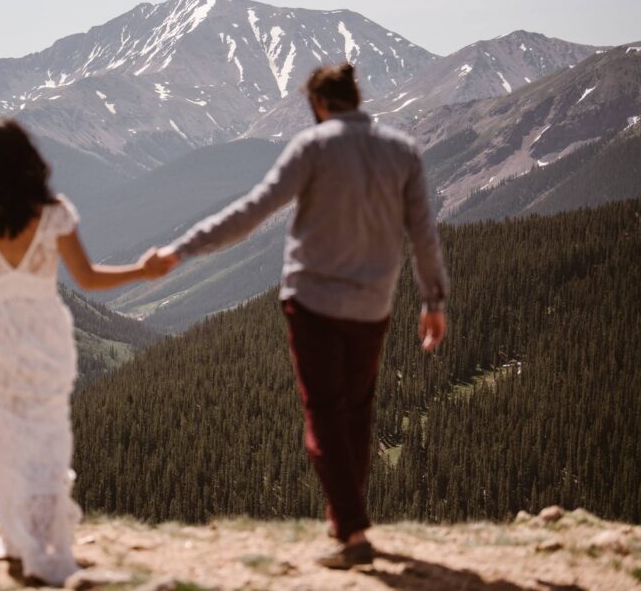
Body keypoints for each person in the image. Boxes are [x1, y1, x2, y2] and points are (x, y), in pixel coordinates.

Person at [157, 63, 449, 569]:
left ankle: (353, 532)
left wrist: (181, 249)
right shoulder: (403, 152)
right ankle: (346, 526)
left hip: (312, 302)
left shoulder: (312, 148)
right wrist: (434, 302)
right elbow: (423, 232)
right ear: (357, 98)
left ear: (317, 104)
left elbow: (251, 212)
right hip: (373, 304)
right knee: (356, 411)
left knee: (323, 415)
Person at [0, 118, 169, 587]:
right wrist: (142, 271)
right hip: (44, 330)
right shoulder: (52, 213)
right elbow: (88, 278)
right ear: (27, 156)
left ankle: (16, 535)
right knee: (46, 431)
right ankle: (49, 538)